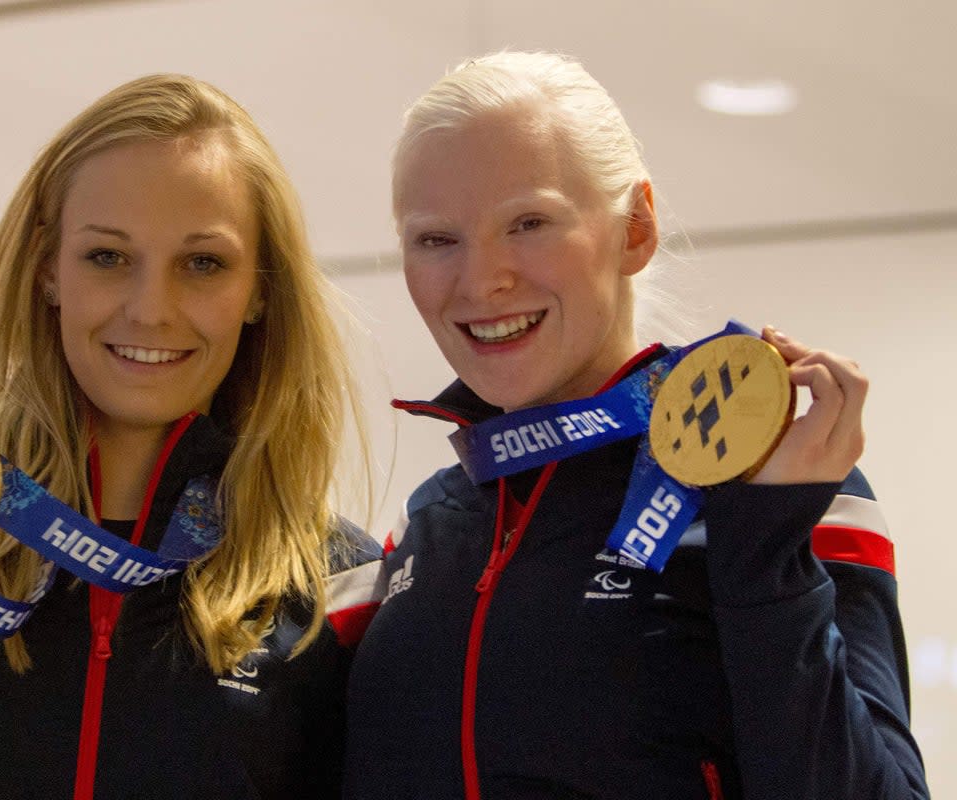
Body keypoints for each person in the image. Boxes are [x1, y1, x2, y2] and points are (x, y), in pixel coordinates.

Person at [0, 73, 381, 799]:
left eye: (202, 263)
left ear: (260, 291)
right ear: (47, 269)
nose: (151, 310)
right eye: (108, 257)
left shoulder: (336, 580)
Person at [344, 51, 929, 799]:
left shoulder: (774, 480)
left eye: (528, 222)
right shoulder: (424, 524)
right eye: (436, 239)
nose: (481, 279)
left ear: (637, 228)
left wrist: (766, 548)